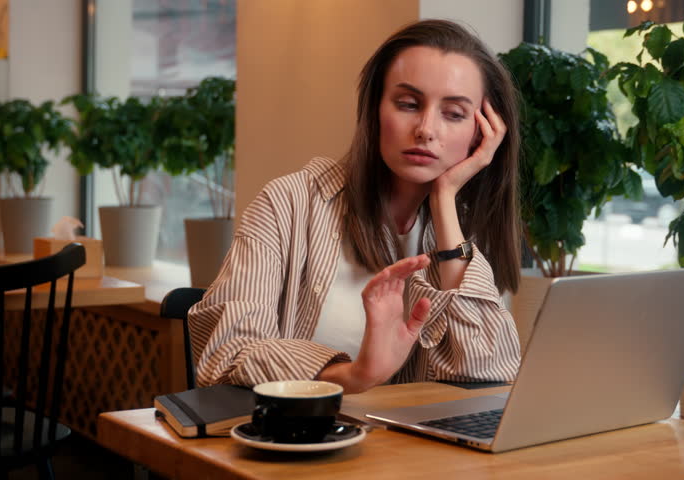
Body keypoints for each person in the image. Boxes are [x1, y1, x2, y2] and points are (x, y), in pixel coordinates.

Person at [188, 19, 523, 394]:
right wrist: (353, 376)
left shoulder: (462, 233)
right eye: (408, 104)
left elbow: (489, 374)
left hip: (413, 450)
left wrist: (444, 200)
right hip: (297, 441)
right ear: (374, 110)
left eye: (454, 114)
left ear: (482, 133)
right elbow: (226, 355)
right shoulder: (289, 203)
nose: (426, 129)